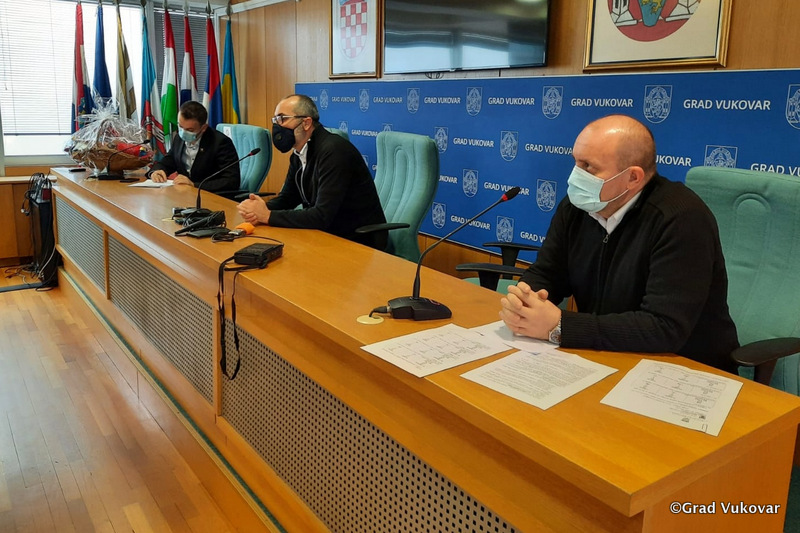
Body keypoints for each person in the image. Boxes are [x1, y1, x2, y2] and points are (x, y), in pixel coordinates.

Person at [500, 114, 739, 372]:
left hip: (685, 367)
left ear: (633, 177)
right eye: (575, 162)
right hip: (606, 355)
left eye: (588, 167)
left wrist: (561, 326)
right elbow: (549, 272)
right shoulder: (576, 207)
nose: (574, 176)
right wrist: (524, 300)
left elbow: (664, 327)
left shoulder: (682, 218)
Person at [237, 94, 387, 250]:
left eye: (283, 119)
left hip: (358, 240)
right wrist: (258, 209)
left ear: (306, 123)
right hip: (328, 234)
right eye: (275, 120)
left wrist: (268, 216)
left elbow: (322, 215)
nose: (277, 126)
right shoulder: (299, 153)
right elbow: (288, 198)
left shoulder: (334, 151)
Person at [149, 101, 240, 193]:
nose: (183, 132)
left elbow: (232, 181)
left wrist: (194, 185)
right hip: (185, 193)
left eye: (190, 130)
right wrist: (157, 171)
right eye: (180, 126)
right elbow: (170, 159)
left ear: (203, 128)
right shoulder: (179, 137)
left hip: (210, 195)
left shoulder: (220, 142)